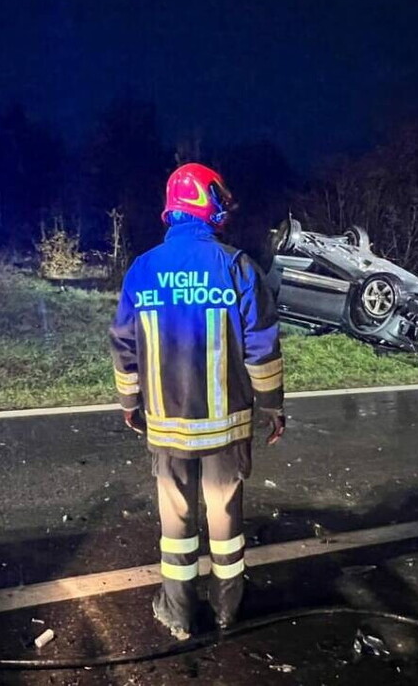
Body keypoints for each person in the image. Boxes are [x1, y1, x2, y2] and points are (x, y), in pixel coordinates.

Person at [109, 162, 285, 639]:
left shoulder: (143, 270)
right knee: (225, 515)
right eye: (220, 198)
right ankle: (228, 606)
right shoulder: (236, 267)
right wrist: (272, 404)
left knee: (176, 519)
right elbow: (262, 345)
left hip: (166, 425)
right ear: (206, 201)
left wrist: (129, 401)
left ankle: (179, 611)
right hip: (226, 427)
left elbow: (124, 344)